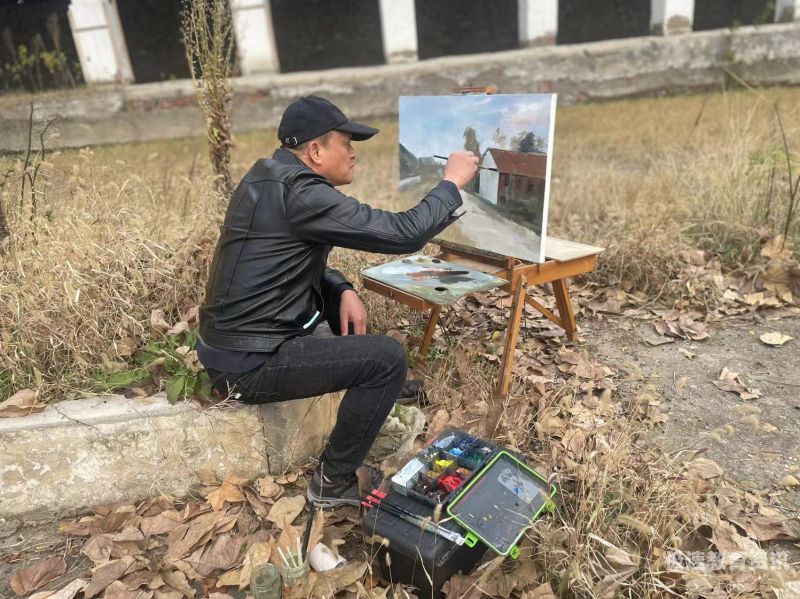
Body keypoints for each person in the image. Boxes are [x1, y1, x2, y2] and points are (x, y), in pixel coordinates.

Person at [198, 95, 478, 507]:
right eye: (346, 144)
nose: (353, 154)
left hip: (232, 345)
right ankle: (333, 481)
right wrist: (450, 183)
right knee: (386, 358)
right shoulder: (302, 192)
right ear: (315, 151)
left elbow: (288, 258)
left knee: (344, 320)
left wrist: (342, 288)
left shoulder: (267, 177)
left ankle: (377, 395)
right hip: (249, 363)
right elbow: (402, 233)